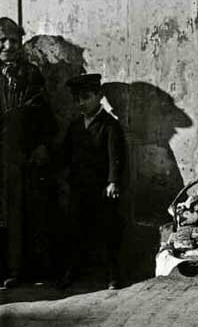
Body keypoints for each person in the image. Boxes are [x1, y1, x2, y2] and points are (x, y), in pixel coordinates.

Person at [58, 73, 125, 290]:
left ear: (99, 96)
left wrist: (113, 181)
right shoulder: (75, 125)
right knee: (74, 230)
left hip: (102, 189)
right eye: (77, 99)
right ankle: (71, 271)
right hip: (79, 187)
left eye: (86, 97)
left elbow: (116, 155)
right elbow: (64, 154)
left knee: (108, 231)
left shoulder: (109, 125)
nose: (81, 103)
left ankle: (113, 275)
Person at [0, 17, 53, 288]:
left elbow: (43, 112)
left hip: (21, 154)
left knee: (20, 212)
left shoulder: (31, 74)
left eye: (13, 40)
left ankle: (17, 270)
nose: (8, 46)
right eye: (2, 41)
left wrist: (41, 145)